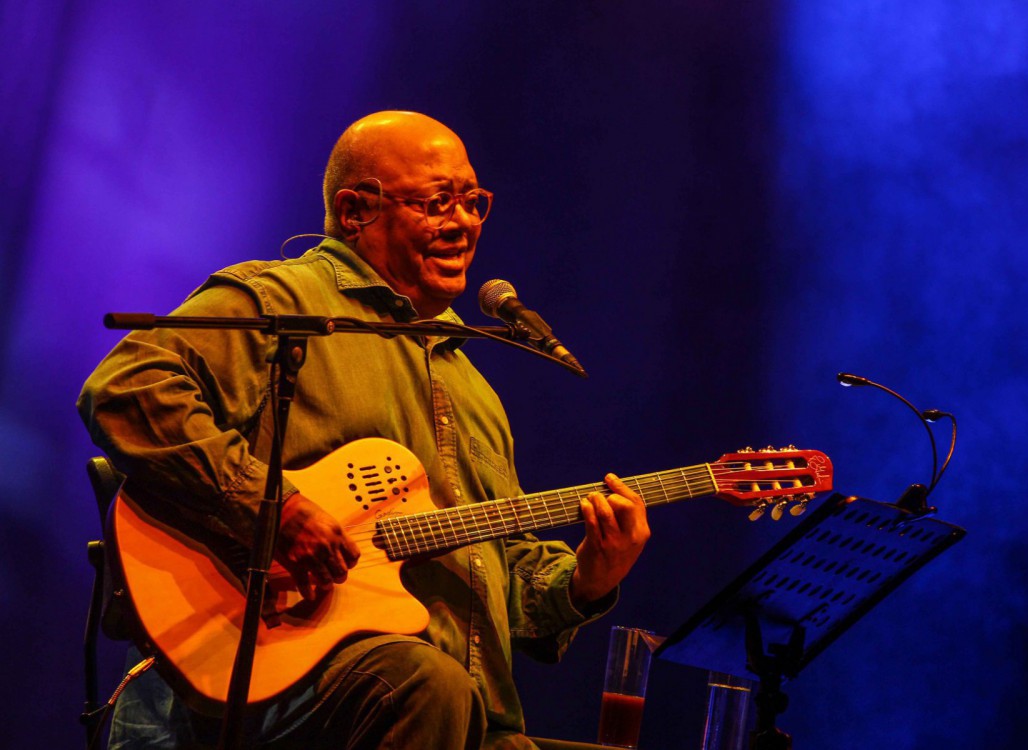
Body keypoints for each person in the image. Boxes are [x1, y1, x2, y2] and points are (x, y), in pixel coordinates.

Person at [78, 111, 650, 749]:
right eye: (437, 203)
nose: (463, 222)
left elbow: (503, 579)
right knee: (428, 686)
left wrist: (588, 578)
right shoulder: (285, 302)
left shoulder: (475, 391)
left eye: (473, 202)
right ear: (356, 211)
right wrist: (273, 509)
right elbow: (128, 386)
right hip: (286, 679)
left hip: (462, 713)